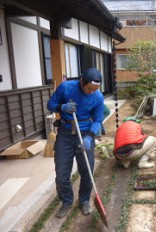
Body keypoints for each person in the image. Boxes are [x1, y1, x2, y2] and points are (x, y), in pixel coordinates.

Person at [47, 68, 104, 218]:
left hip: (84, 133)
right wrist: (61, 107)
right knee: (61, 173)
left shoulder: (97, 97)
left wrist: (90, 137)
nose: (92, 91)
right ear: (82, 82)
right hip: (65, 133)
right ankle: (66, 201)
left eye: (96, 89)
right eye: (90, 88)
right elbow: (50, 104)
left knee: (86, 170)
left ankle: (84, 200)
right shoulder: (66, 87)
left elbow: (98, 120)